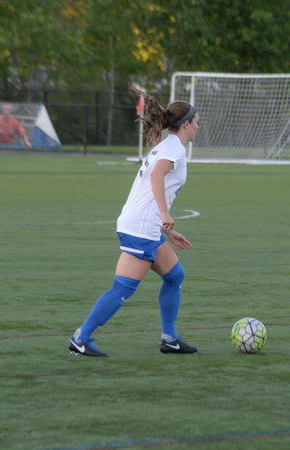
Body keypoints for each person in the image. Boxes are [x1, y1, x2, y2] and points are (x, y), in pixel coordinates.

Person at [68, 92, 200, 357]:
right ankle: (81, 339)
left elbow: (150, 192)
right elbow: (156, 176)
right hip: (140, 228)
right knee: (123, 287)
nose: (198, 126)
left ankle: (170, 339)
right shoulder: (173, 149)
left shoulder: (167, 146)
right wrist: (164, 213)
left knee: (175, 277)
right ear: (186, 124)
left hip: (145, 225)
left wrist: (168, 230)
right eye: (196, 122)